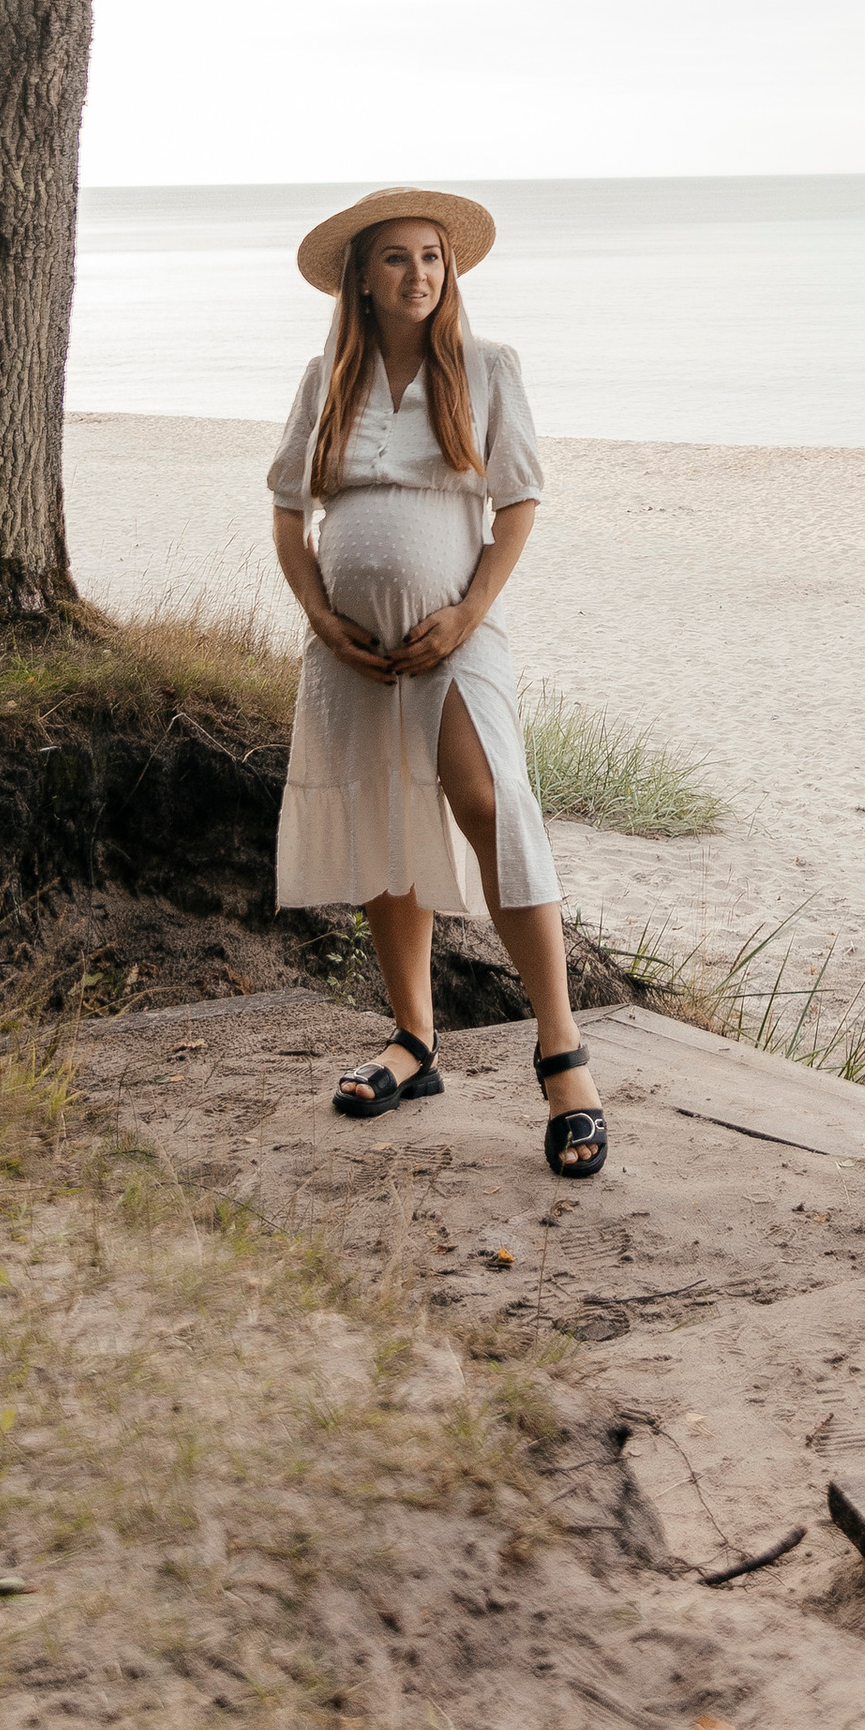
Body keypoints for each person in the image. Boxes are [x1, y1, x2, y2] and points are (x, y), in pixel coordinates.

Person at [265, 185, 607, 1178]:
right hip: (349, 648)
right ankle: (412, 1042)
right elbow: (291, 515)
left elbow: (519, 506)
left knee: (487, 802)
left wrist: (465, 613)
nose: (418, 273)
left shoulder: (488, 369)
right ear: (360, 282)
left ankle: (563, 1060)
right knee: (380, 814)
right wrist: (321, 619)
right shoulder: (327, 377)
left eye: (431, 257)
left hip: (455, 633)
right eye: (395, 259)